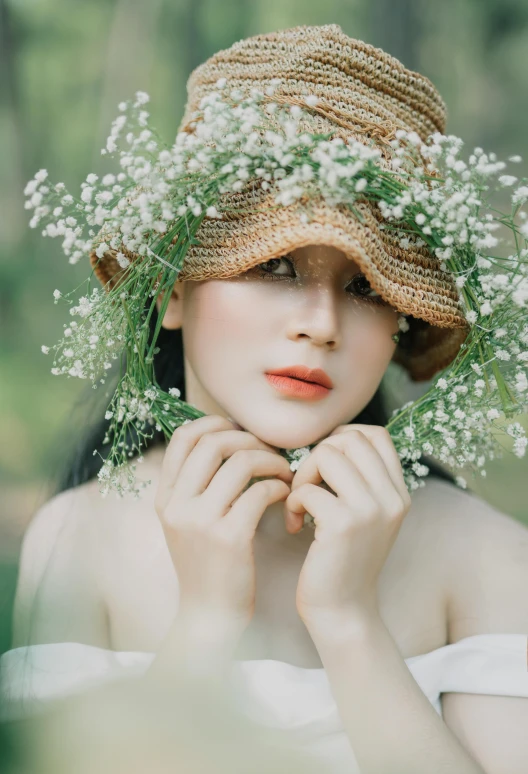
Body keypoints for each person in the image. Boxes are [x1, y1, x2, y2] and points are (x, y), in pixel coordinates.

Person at [3, 23, 528, 774]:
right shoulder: (79, 541)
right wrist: (208, 622)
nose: (319, 325)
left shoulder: (487, 555)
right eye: (275, 265)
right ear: (173, 287)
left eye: (364, 287)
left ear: (401, 323)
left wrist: (350, 624)